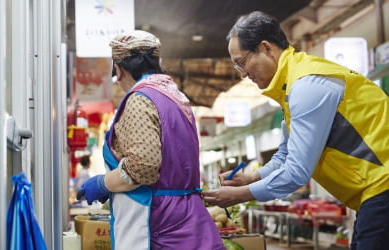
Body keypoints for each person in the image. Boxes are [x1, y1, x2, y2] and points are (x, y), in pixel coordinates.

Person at [202, 11, 389, 250]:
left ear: (266, 48)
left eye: (242, 62)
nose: (243, 73)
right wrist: (251, 178)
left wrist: (240, 195)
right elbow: (284, 155)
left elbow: (297, 172)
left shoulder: (306, 85)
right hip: (374, 193)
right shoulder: (291, 87)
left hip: (383, 186)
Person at [76, 30, 224, 250]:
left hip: (158, 223)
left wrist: (102, 183)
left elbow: (142, 168)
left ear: (118, 68)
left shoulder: (140, 99)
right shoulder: (175, 96)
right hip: (186, 217)